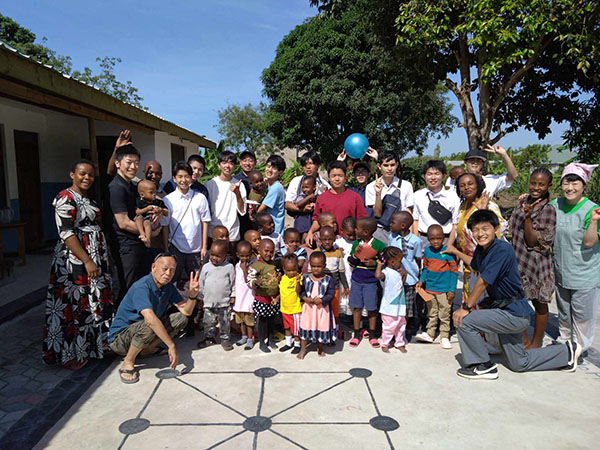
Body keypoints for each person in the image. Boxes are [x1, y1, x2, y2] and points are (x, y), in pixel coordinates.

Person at [444, 210, 581, 379]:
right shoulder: (482, 249)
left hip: (513, 313)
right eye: (476, 230)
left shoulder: (502, 249)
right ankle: (566, 352)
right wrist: (456, 252)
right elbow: (475, 264)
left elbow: (483, 281)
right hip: (506, 311)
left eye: (485, 228)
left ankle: (482, 365)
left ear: (496, 229)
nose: (480, 234)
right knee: (519, 363)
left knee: (464, 320)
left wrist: (465, 307)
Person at [43, 160, 115, 370]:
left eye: (91, 175)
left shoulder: (86, 198)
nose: (87, 178)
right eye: (82, 174)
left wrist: (102, 257)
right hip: (75, 262)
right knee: (75, 305)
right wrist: (87, 260)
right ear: (72, 174)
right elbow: (66, 233)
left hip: (94, 258)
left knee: (94, 303)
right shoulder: (65, 197)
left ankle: (94, 348)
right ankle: (71, 354)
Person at [108, 253, 199, 383]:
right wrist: (171, 345)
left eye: (172, 271)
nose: (168, 273)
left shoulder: (168, 287)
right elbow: (150, 320)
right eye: (165, 269)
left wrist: (192, 296)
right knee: (150, 323)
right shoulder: (142, 287)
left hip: (143, 331)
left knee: (181, 318)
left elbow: (186, 311)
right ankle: (128, 361)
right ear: (153, 267)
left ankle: (147, 349)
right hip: (120, 339)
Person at [551, 163, 600, 353]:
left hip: (584, 273)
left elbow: (589, 242)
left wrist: (594, 222)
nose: (570, 188)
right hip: (561, 270)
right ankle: (564, 339)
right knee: (563, 309)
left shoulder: (592, 209)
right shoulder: (557, 205)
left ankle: (579, 346)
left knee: (582, 314)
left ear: (584, 186)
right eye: (566, 183)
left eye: (575, 183)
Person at [508, 168, 556, 349]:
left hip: (536, 264)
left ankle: (537, 340)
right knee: (517, 301)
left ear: (549, 186)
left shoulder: (548, 210)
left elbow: (532, 240)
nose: (536, 187)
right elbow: (512, 228)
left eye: (541, 184)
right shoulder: (523, 202)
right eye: (533, 183)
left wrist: (528, 217)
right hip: (518, 259)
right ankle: (523, 339)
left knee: (539, 302)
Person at [454, 172, 506, 299]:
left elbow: (499, 229)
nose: (466, 187)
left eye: (470, 184)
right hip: (469, 266)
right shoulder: (462, 206)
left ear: (478, 185)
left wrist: (483, 211)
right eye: (462, 185)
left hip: (486, 264)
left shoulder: (489, 204)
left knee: (484, 303)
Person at [107, 143, 148, 301]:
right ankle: (121, 323)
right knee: (128, 287)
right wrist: (150, 232)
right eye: (129, 162)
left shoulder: (131, 185)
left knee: (139, 285)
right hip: (125, 247)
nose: (133, 166)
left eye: (136, 163)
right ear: (117, 163)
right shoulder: (116, 188)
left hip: (136, 244)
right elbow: (123, 222)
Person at [163, 162, 211, 289]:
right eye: (180, 176)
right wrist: (166, 248)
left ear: (191, 177)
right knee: (171, 280)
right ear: (174, 178)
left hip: (196, 248)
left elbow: (205, 222)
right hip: (175, 247)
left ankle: (195, 308)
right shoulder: (168, 200)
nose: (183, 180)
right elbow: (165, 225)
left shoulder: (200, 198)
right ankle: (170, 307)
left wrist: (204, 247)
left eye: (186, 176)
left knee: (197, 281)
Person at [415, 225, 458, 349]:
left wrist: (452, 290)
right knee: (432, 312)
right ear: (428, 239)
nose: (436, 241)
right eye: (432, 239)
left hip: (444, 290)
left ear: (443, 238)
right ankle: (430, 333)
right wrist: (421, 281)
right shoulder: (427, 252)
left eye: (439, 238)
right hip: (430, 289)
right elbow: (426, 269)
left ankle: (444, 335)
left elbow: (454, 273)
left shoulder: (447, 253)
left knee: (444, 314)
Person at [306, 161, 367, 245]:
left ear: (345, 177)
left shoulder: (355, 197)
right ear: (329, 178)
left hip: (350, 242)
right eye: (334, 176)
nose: (337, 179)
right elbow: (317, 220)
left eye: (340, 175)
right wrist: (310, 232)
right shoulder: (321, 198)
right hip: (328, 242)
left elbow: (362, 220)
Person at [348, 217, 386, 348]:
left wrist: (374, 263)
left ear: (366, 232)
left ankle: (372, 334)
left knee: (371, 308)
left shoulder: (379, 245)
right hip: (357, 280)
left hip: (371, 282)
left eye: (357, 228)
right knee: (357, 307)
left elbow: (384, 261)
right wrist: (356, 255)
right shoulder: (356, 244)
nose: (354, 230)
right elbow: (350, 262)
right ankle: (356, 333)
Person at [388, 212, 423, 341]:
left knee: (407, 308)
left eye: (392, 222)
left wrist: (417, 275)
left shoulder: (416, 241)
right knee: (394, 306)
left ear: (402, 226)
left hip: (410, 281)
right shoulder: (392, 237)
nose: (390, 224)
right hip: (394, 279)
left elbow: (418, 260)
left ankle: (402, 331)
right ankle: (392, 330)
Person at [366, 150, 414, 244]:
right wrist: (378, 194)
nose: (389, 169)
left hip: (401, 231)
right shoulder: (371, 187)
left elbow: (408, 212)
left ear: (397, 165)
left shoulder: (406, 185)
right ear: (379, 166)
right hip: (380, 231)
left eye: (392, 165)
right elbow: (377, 213)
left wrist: (409, 235)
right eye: (386, 165)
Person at [297, 251, 338, 359]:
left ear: (324, 265)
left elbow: (331, 294)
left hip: (322, 310)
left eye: (319, 266)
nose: (316, 269)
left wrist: (322, 300)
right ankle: (302, 349)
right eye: (313, 266)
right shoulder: (306, 278)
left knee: (321, 327)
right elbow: (301, 292)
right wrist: (305, 298)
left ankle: (320, 347)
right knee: (306, 326)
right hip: (308, 309)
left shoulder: (329, 279)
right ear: (310, 264)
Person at [412, 160, 460, 249]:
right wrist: (416, 242)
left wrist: (449, 245)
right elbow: (415, 220)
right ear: (424, 176)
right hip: (424, 240)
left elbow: (455, 224)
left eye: (437, 174)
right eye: (429, 174)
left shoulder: (453, 196)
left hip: (446, 239)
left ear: (444, 176)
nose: (433, 177)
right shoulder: (417, 195)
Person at [197, 241, 236, 351]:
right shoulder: (206, 267)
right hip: (208, 301)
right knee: (208, 322)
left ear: (225, 255)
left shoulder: (229, 267)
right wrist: (200, 297)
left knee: (224, 322)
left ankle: (225, 338)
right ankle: (209, 338)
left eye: (218, 256)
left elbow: (233, 283)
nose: (214, 258)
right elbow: (201, 283)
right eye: (212, 254)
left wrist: (233, 295)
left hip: (223, 302)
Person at [205, 151, 247, 243]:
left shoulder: (239, 185)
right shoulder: (210, 184)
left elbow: (242, 210)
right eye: (224, 163)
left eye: (231, 163)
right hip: (213, 233)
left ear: (235, 167)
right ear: (219, 165)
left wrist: (237, 193)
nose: (227, 166)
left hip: (232, 234)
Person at [248, 239, 281, 353]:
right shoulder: (256, 265)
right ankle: (262, 342)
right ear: (259, 250)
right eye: (266, 251)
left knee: (272, 320)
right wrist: (255, 282)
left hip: (273, 299)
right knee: (263, 322)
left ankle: (270, 340)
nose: (268, 254)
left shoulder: (273, 264)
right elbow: (249, 279)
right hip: (262, 299)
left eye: (271, 252)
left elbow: (275, 275)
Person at [313, 226, 349, 329]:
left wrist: (345, 286)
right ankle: (322, 328)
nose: (327, 242)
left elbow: (341, 271)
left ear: (334, 239)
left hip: (334, 287)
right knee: (322, 310)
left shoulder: (337, 253)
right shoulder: (316, 252)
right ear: (320, 240)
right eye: (324, 239)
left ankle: (335, 330)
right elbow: (311, 272)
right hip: (320, 287)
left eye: (330, 239)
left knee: (334, 309)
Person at [375, 247, 408, 353]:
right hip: (389, 307)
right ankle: (385, 343)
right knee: (389, 327)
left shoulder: (397, 272)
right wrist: (379, 266)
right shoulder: (386, 272)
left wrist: (405, 275)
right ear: (392, 262)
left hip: (400, 305)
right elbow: (378, 276)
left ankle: (399, 343)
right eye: (399, 261)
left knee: (401, 326)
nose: (401, 263)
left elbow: (400, 285)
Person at [285, 150, 330, 218]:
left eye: (311, 163)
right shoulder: (296, 181)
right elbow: (287, 204)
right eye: (305, 164)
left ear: (318, 165)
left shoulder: (324, 184)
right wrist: (302, 209)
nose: (308, 167)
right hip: (301, 221)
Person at [233, 241, 256, 350]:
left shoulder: (252, 267)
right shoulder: (236, 266)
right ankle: (243, 337)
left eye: (247, 255)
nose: (245, 258)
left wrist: (244, 270)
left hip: (248, 299)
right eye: (242, 256)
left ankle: (250, 339)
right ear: (237, 255)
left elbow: (249, 281)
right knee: (241, 320)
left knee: (249, 321)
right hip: (239, 299)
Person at [279, 254, 303, 354]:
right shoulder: (283, 278)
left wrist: (297, 282)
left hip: (295, 310)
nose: (291, 272)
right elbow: (281, 291)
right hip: (284, 309)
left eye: (294, 269)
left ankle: (297, 344)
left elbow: (299, 291)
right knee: (287, 328)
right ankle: (288, 343)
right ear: (284, 269)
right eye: (288, 270)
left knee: (296, 330)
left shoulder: (298, 277)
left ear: (297, 267)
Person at [256, 155, 286, 235]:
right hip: (268, 228)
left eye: (274, 168)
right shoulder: (267, 185)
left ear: (280, 172)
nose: (269, 170)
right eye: (268, 166)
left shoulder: (276, 187)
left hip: (274, 230)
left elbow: (261, 209)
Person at [135, 180, 169, 250]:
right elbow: (137, 212)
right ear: (142, 194)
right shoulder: (140, 202)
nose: (154, 194)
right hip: (143, 219)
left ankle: (148, 239)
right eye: (151, 192)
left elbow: (167, 213)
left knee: (146, 222)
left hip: (152, 221)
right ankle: (142, 234)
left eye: (155, 192)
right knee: (138, 218)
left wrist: (160, 210)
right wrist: (146, 209)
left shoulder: (158, 202)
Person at [335, 216, 357, 317]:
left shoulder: (358, 243)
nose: (351, 237)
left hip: (353, 274)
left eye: (354, 234)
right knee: (342, 298)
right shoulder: (338, 243)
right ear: (342, 231)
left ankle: (357, 324)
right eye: (349, 235)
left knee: (354, 300)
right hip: (343, 275)